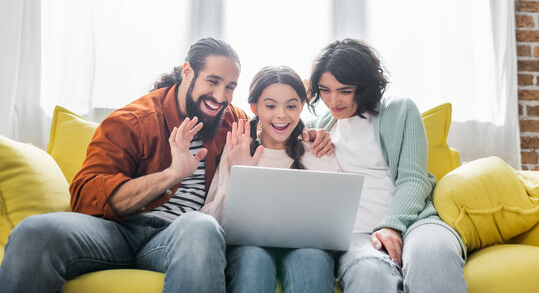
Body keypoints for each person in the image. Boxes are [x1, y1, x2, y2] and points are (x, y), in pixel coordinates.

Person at [0, 38, 332, 293]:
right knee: (34, 231)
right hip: (116, 231)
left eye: (230, 87)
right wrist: (171, 174)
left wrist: (312, 134)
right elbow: (86, 197)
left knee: (200, 226)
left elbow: (273, 122)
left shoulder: (230, 119)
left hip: (177, 237)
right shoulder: (132, 121)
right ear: (188, 72)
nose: (220, 95)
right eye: (212, 81)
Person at [307, 38, 467, 293]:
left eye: (344, 90)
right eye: (324, 90)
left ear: (364, 86)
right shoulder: (322, 126)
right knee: (370, 273)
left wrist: (391, 225)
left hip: (416, 223)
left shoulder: (400, 110)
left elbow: (413, 179)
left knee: (432, 257)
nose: (333, 100)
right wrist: (309, 137)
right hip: (357, 235)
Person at [202, 66, 341, 293]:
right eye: (270, 106)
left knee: (312, 259)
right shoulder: (239, 149)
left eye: (291, 106)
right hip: (249, 248)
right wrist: (237, 173)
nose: (281, 115)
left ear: (302, 107)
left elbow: (336, 219)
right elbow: (214, 222)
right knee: (253, 258)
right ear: (254, 107)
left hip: (307, 247)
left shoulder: (316, 149)